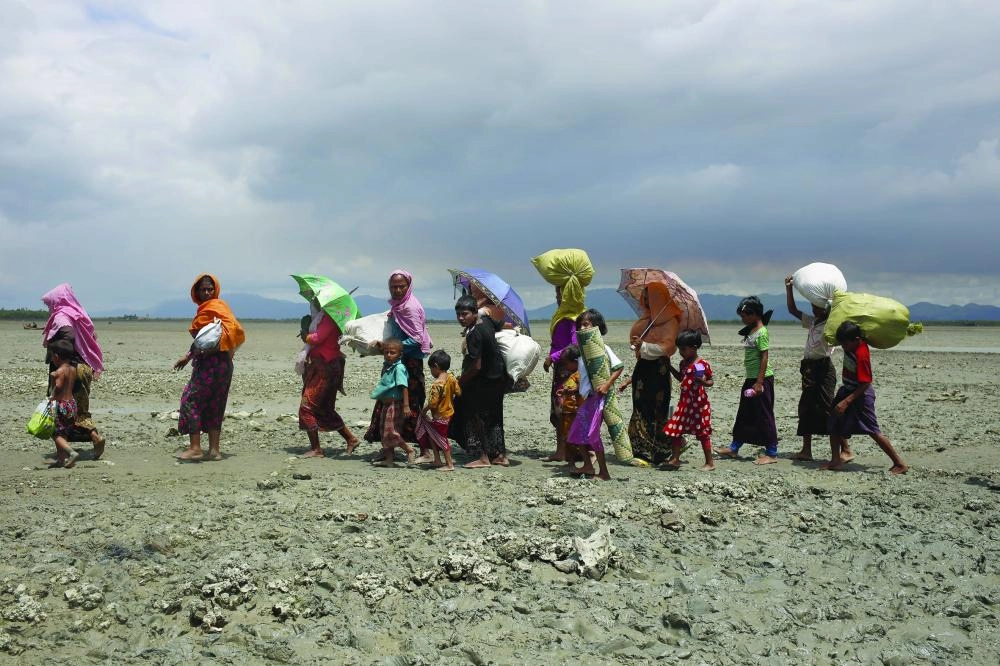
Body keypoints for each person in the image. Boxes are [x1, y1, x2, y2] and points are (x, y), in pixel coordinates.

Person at [173, 274, 245, 462]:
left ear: (216, 290)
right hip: (224, 365)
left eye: (210, 289)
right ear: (196, 291)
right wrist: (187, 357)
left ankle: (195, 448)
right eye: (203, 289)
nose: (206, 292)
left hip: (210, 365)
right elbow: (204, 340)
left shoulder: (216, 308)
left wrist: (207, 352)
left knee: (190, 400)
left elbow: (217, 338)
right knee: (215, 404)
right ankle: (214, 451)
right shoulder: (217, 309)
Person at [822, 322, 908, 474]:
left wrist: (846, 402)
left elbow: (866, 383)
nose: (843, 347)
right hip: (847, 389)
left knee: (872, 430)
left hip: (861, 395)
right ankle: (836, 460)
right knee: (834, 421)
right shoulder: (852, 345)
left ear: (856, 339)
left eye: (845, 343)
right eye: (841, 343)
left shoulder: (861, 354)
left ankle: (899, 463)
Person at [784, 274, 852, 463]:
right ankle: (806, 450)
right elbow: (792, 309)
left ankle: (845, 448)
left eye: (817, 306)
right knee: (805, 407)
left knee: (828, 407)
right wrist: (789, 287)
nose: (813, 308)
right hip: (809, 368)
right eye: (813, 305)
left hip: (823, 368)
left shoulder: (832, 325)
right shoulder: (812, 322)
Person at [364, 270, 433, 449]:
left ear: (408, 286)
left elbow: (417, 339)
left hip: (409, 362)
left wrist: (392, 347)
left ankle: (423, 447)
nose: (398, 290)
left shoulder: (409, 307)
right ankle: (390, 446)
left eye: (402, 286)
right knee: (388, 400)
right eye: (393, 287)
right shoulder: (398, 306)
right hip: (396, 359)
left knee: (410, 403)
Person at [41, 283, 106, 459]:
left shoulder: (62, 317)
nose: (49, 307)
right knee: (80, 411)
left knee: (61, 412)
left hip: (71, 368)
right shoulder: (79, 315)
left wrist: (58, 353)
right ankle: (94, 437)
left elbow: (68, 337)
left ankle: (64, 451)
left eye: (50, 304)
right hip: (84, 368)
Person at [623, 283, 682, 466]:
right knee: (640, 406)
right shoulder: (645, 320)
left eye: (651, 297)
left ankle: (659, 449)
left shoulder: (671, 321)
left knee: (657, 408)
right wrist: (638, 345)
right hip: (642, 369)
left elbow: (668, 348)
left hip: (659, 370)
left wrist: (645, 346)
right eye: (645, 296)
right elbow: (636, 346)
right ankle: (641, 449)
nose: (647, 300)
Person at [717, 296, 779, 465]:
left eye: (745, 315)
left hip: (762, 379)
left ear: (755, 314)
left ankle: (772, 453)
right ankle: (734, 447)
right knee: (744, 413)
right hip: (751, 378)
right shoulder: (751, 330)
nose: (742, 319)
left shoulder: (762, 332)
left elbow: (764, 357)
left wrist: (759, 382)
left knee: (765, 415)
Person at [449, 295, 508, 468]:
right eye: (458, 314)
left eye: (465, 314)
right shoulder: (486, 321)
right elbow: (502, 326)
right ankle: (499, 455)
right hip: (498, 378)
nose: (461, 318)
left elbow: (476, 365)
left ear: (475, 313)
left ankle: (484, 456)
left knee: (476, 417)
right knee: (495, 417)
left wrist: (460, 381)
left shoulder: (475, 333)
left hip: (482, 382)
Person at [297, 299, 360, 458]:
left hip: (327, 368)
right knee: (324, 407)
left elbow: (317, 338)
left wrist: (306, 336)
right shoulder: (321, 318)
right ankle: (351, 439)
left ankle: (316, 449)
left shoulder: (329, 318)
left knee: (307, 406)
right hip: (322, 366)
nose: (314, 304)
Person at [565, 309, 622, 480]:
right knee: (576, 432)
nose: (581, 328)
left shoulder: (602, 348)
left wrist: (607, 384)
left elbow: (619, 367)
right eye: (580, 325)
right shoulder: (584, 351)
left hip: (598, 399)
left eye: (586, 324)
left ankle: (604, 472)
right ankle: (588, 466)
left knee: (592, 435)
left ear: (597, 327)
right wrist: (575, 390)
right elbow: (586, 378)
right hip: (588, 398)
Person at [540, 284, 584, 462]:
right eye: (557, 293)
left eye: (562, 293)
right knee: (560, 410)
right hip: (562, 367)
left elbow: (574, 345)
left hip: (568, 368)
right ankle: (563, 449)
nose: (558, 297)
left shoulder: (573, 318)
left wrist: (553, 357)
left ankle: (566, 451)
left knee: (565, 408)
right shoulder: (563, 316)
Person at [662, 330, 715, 471]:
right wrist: (669, 367)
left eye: (683, 349)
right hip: (685, 404)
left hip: (699, 404)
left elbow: (711, 381)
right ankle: (675, 459)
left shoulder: (702, 364)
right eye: (680, 349)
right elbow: (681, 377)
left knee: (703, 433)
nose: (681, 352)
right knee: (675, 429)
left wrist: (703, 382)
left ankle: (710, 463)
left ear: (694, 347)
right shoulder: (683, 363)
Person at [370, 338, 416, 467]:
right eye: (386, 352)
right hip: (386, 405)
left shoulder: (399, 368)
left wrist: (406, 406)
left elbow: (404, 386)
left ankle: (409, 450)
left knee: (392, 432)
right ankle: (389, 459)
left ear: (400, 354)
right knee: (385, 433)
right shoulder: (388, 366)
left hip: (394, 406)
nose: (389, 355)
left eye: (392, 353)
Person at [415, 350, 461, 470]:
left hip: (440, 416)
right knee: (432, 435)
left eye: (431, 369)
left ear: (436, 366)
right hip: (449, 413)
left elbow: (433, 403)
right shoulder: (451, 378)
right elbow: (458, 392)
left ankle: (449, 464)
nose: (431, 372)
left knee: (441, 439)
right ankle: (437, 460)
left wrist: (424, 410)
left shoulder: (437, 384)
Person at [47, 339, 80, 469]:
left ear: (56, 357)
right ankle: (62, 460)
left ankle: (71, 453)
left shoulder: (59, 371)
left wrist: (52, 396)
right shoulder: (73, 369)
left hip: (62, 404)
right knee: (63, 432)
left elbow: (59, 386)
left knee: (55, 434)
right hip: (72, 404)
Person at [554, 345, 582, 447]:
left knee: (575, 436)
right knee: (567, 436)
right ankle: (570, 460)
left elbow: (582, 389)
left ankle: (587, 456)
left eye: (566, 363)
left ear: (575, 361)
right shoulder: (572, 374)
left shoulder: (580, 375)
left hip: (575, 411)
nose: (565, 366)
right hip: (567, 411)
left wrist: (572, 390)